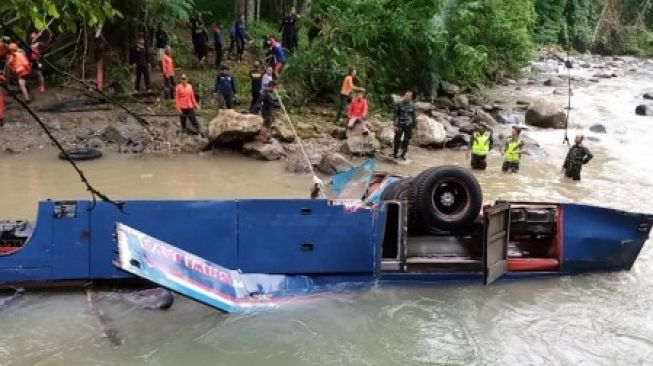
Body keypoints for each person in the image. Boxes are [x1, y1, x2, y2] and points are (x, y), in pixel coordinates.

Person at [393, 90, 416, 160]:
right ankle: (395, 153)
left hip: (409, 124)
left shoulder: (413, 105)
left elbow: (414, 116)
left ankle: (403, 154)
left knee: (406, 139)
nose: (406, 97)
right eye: (405, 95)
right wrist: (395, 125)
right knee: (397, 138)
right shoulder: (399, 104)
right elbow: (395, 115)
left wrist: (414, 127)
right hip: (400, 123)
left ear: (411, 97)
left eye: (408, 96)